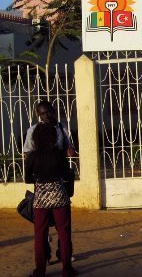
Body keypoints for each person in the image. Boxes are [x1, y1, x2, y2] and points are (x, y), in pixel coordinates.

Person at [23, 100, 75, 264]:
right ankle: (46, 255)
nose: (46, 116)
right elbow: (27, 153)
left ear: (53, 111)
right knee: (54, 225)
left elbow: (68, 149)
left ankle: (63, 254)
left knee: (57, 226)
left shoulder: (61, 128)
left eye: (48, 112)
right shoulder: (33, 130)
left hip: (56, 181)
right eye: (42, 114)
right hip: (47, 182)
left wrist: (68, 152)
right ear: (38, 115)